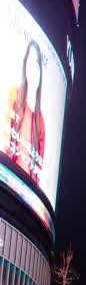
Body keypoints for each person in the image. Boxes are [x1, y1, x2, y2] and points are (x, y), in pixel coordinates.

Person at [5, 40, 44, 181]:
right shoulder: (13, 95)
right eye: (30, 63)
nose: (33, 71)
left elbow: (37, 172)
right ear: (25, 65)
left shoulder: (40, 121)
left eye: (37, 66)